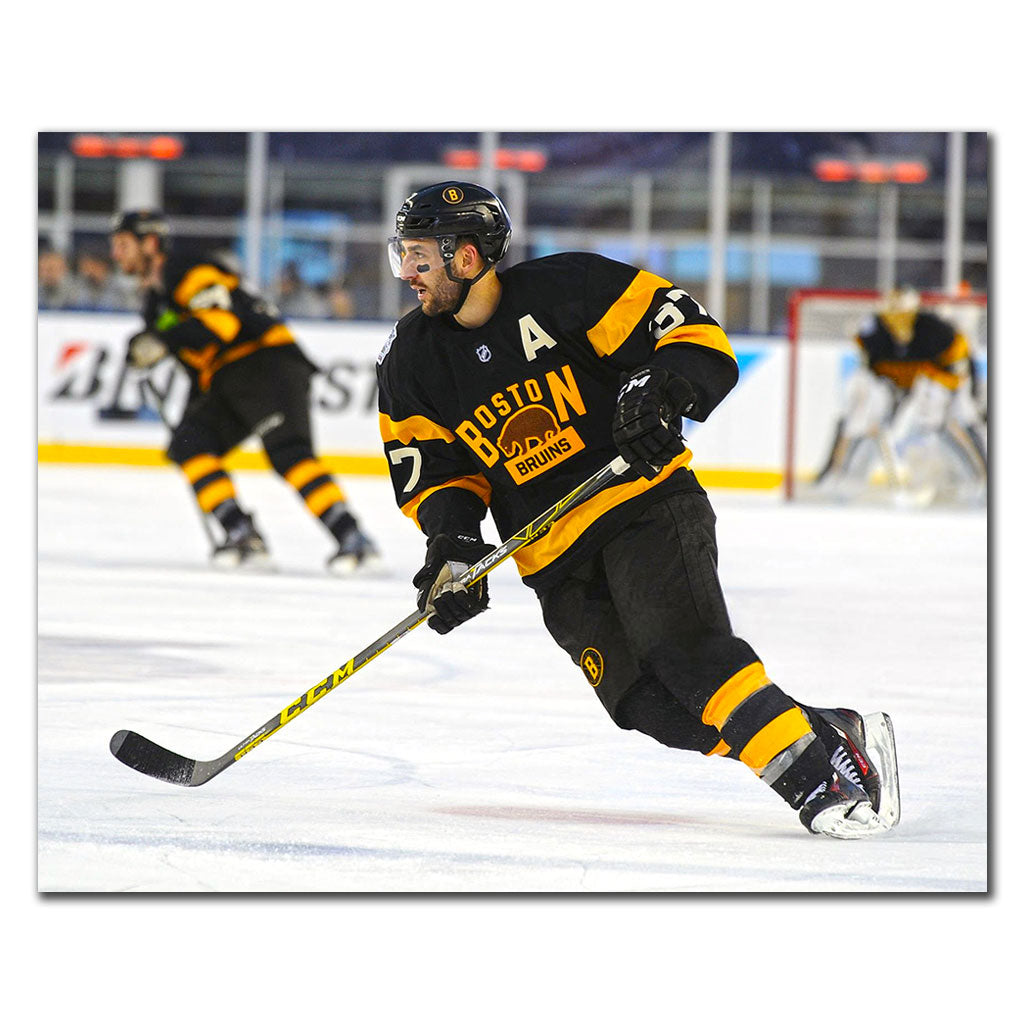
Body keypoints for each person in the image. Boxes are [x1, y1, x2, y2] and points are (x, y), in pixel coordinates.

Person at [376, 181, 901, 839]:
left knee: (687, 656)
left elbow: (693, 336)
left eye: (421, 256)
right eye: (404, 254)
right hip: (553, 557)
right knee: (650, 706)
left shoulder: (569, 287)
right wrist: (452, 547)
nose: (408, 272)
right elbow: (437, 473)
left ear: (468, 255)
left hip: (642, 504)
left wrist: (659, 389)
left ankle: (820, 782)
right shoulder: (409, 361)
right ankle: (824, 733)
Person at [109, 209, 379, 574]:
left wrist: (162, 338)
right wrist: (167, 353)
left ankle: (354, 539)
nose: (116, 254)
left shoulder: (186, 269)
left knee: (289, 454)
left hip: (266, 362)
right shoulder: (155, 304)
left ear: (150, 243)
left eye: (123, 244)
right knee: (190, 443)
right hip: (228, 377)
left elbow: (221, 325)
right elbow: (196, 362)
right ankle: (242, 534)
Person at [815, 286, 987, 503]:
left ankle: (978, 480)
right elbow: (871, 371)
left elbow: (958, 371)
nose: (897, 320)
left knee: (952, 421)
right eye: (892, 314)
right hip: (898, 386)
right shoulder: (874, 332)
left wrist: (945, 400)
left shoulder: (938, 332)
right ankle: (845, 478)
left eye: (903, 314)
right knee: (862, 415)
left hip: (942, 383)